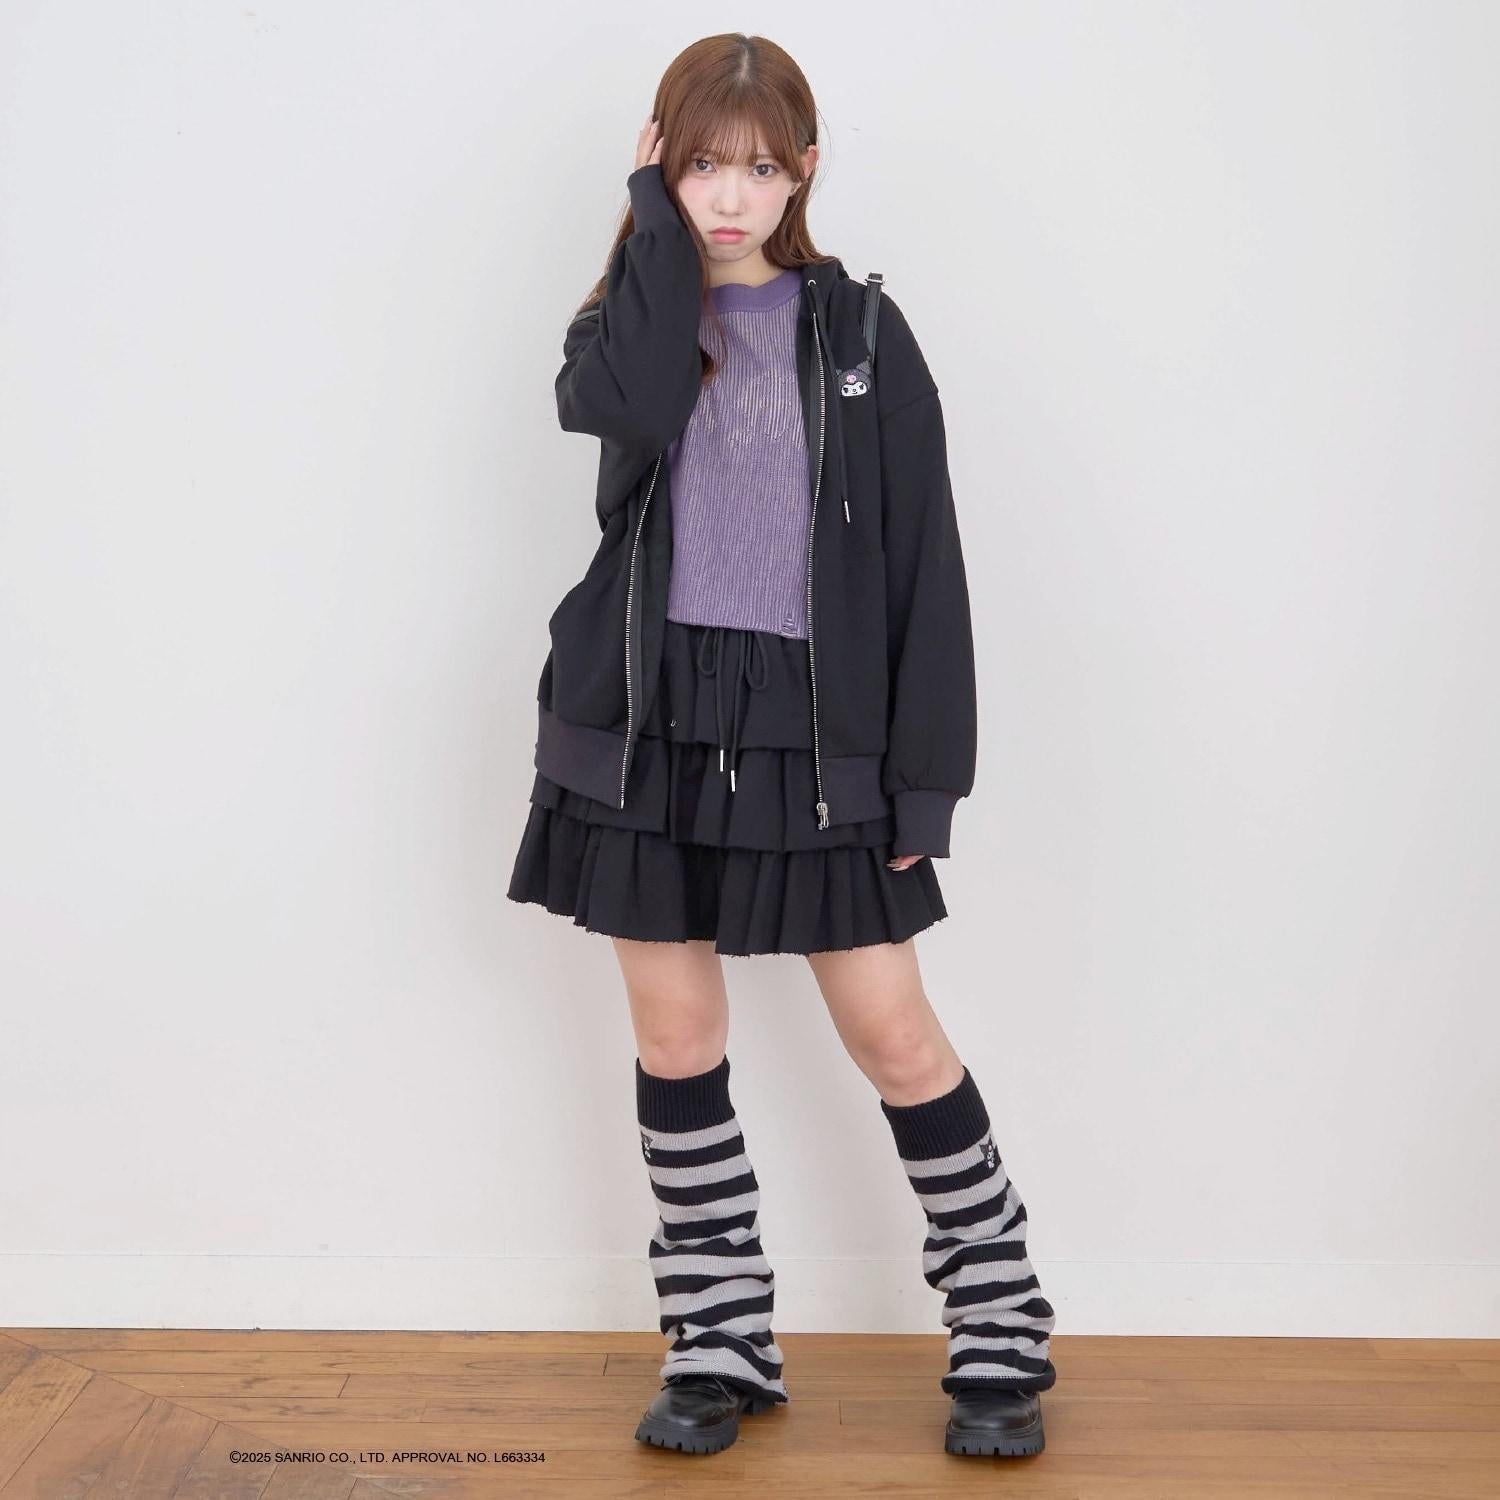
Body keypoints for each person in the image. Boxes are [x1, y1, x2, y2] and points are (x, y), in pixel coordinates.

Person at [507, 32, 1057, 1461]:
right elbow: (625, 409)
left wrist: (926, 780)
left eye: (756, 168)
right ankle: (718, 1339)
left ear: (803, 171)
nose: (730, 196)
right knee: (676, 1038)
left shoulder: (862, 332)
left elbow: (926, 561)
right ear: (661, 168)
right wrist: (648, 233)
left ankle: (1000, 1321)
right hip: (646, 722)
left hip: (816, 734)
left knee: (894, 1032)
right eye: (700, 166)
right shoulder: (627, 324)